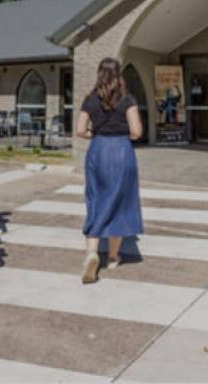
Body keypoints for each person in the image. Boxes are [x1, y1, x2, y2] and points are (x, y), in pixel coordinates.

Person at [75, 57, 144, 284]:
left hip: (98, 149)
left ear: (98, 74)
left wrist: (93, 135)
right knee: (119, 202)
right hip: (121, 150)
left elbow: (79, 130)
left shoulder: (90, 99)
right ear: (118, 75)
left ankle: (91, 253)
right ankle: (113, 257)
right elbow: (136, 131)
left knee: (95, 199)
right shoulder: (127, 99)